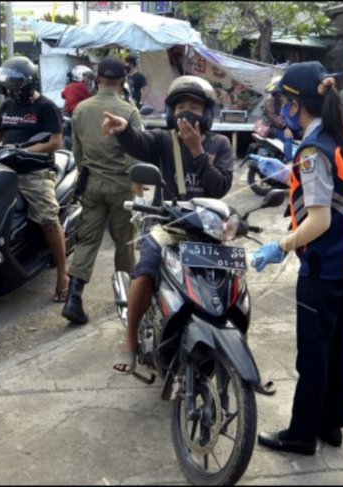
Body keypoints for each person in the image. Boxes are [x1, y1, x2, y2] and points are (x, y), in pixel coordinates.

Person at [250, 61, 343, 456]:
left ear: (296, 104)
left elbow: (318, 219)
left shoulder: (314, 150)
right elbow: (340, 189)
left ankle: (302, 434)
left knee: (313, 355)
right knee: (338, 347)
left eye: (282, 101)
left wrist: (280, 246)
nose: (280, 109)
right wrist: (287, 174)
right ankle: (330, 425)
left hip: (324, 265)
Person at [101, 75, 233, 374]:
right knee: (145, 270)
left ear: (208, 112)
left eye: (195, 106)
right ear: (172, 112)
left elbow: (220, 187)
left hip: (206, 227)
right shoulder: (163, 139)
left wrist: (198, 150)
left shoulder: (220, 144)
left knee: (229, 277)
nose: (187, 112)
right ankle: (130, 339)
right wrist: (124, 131)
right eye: (181, 106)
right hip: (166, 223)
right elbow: (139, 141)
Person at [0, 56, 69, 303]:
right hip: (3, 167)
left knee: (48, 219)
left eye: (15, 86)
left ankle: (63, 272)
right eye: (7, 87)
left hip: (34, 172)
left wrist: (25, 151)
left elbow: (55, 141)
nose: (11, 91)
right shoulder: (7, 106)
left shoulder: (46, 107)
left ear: (28, 83)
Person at [61, 58, 145, 325]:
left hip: (92, 183)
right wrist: (138, 188)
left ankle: (73, 297)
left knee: (87, 241)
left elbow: (76, 151)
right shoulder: (129, 111)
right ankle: (127, 297)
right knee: (125, 241)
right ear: (123, 82)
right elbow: (135, 153)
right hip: (122, 185)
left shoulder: (81, 110)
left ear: (97, 80)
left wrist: (84, 174)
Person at [261, 74, 294, 162]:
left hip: (278, 126)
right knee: (288, 138)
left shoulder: (279, 99)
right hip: (271, 127)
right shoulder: (269, 100)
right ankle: (289, 161)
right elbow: (274, 117)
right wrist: (285, 127)